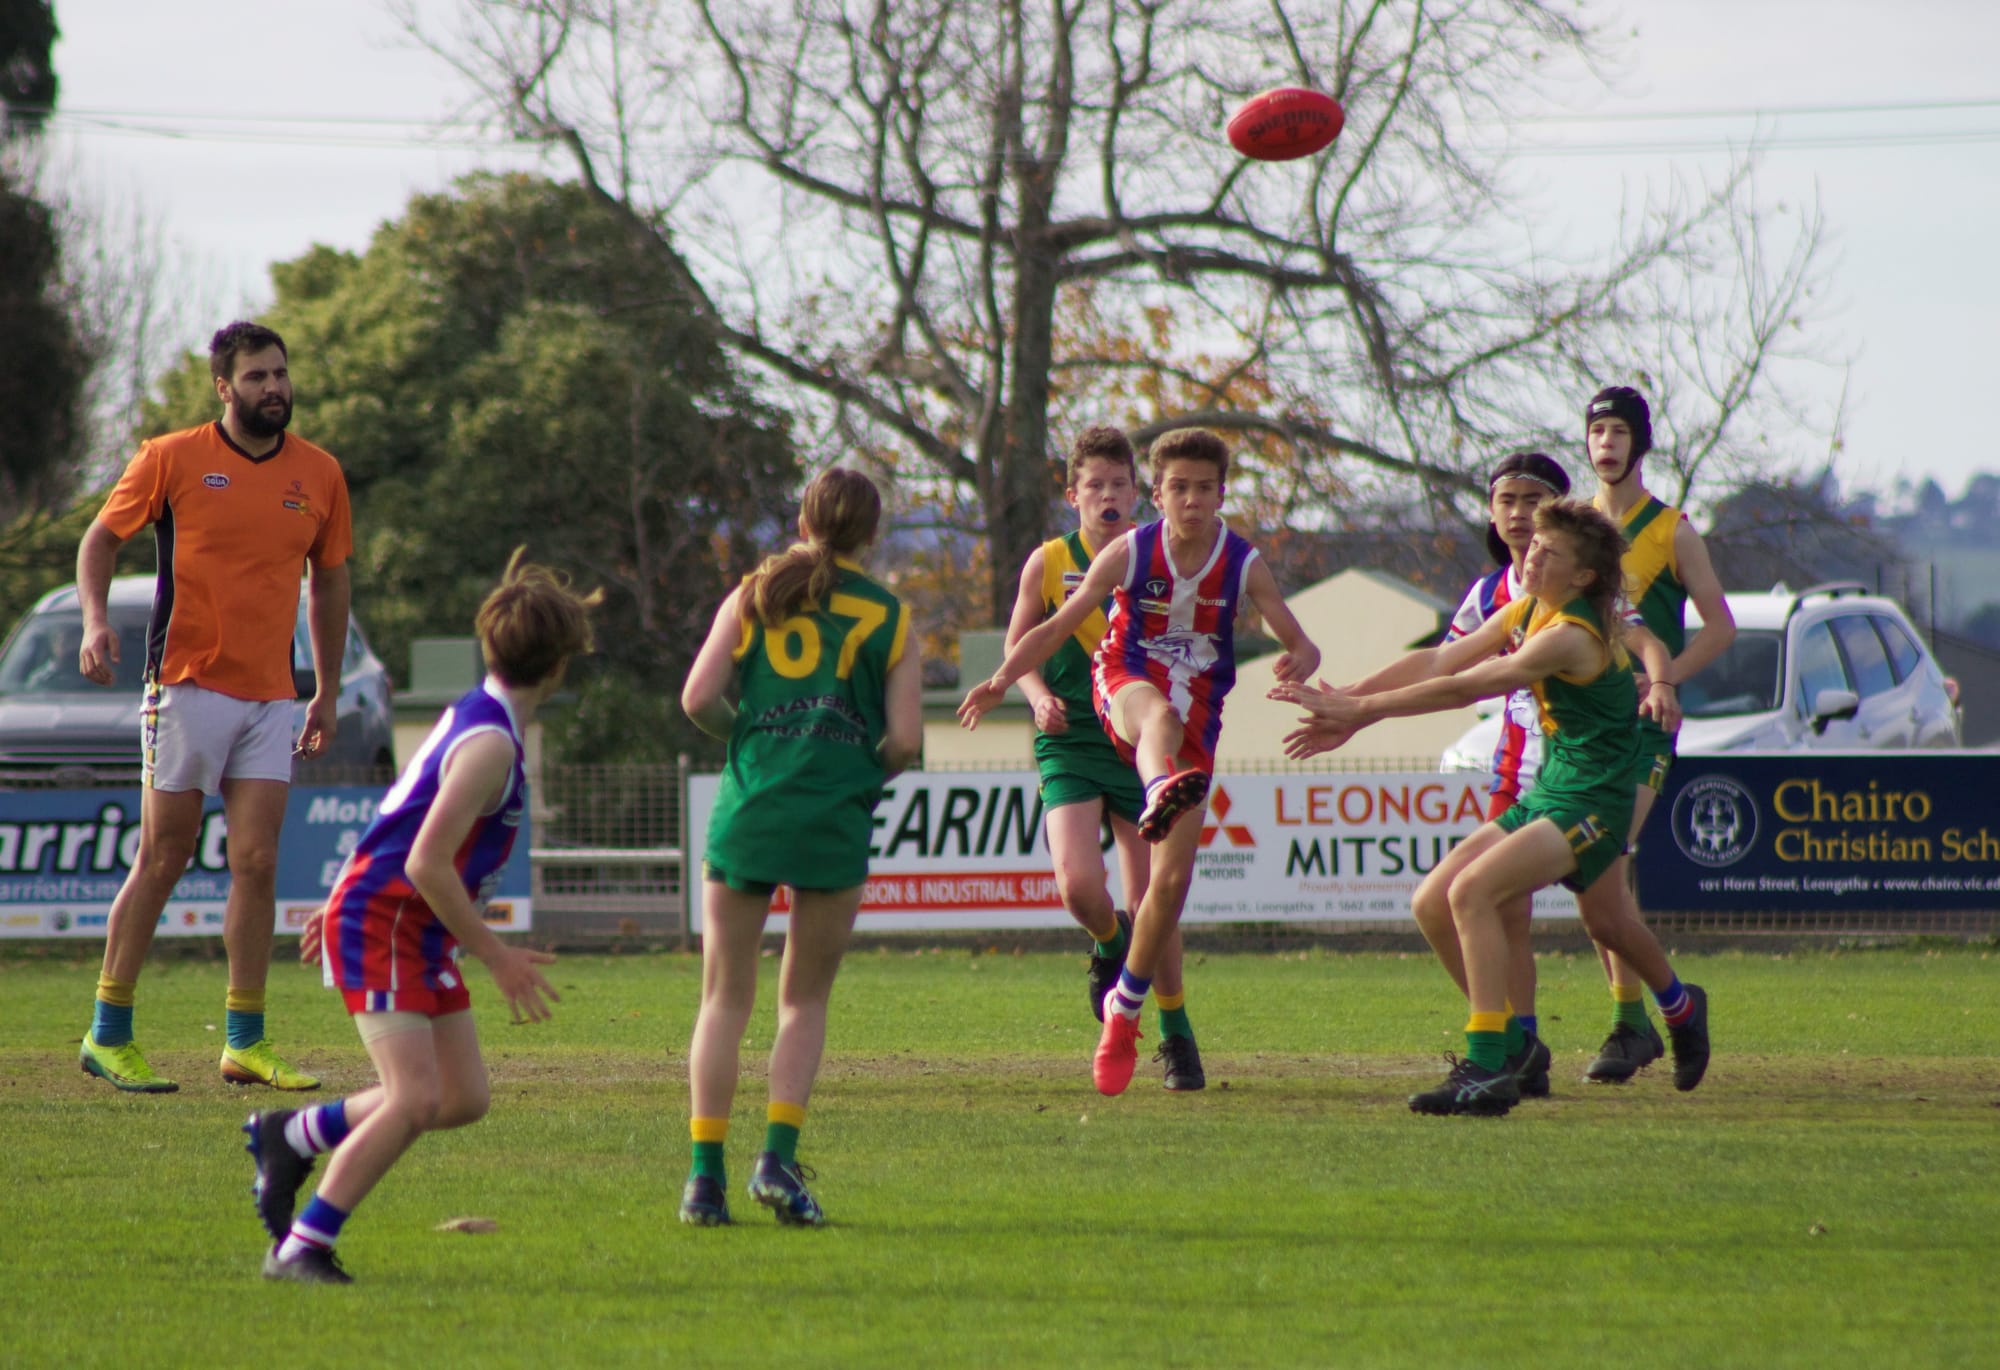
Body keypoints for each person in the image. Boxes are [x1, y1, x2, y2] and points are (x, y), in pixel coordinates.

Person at [1275, 499, 1708, 1116]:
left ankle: (1487, 1065)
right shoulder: (1531, 606)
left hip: (1596, 798)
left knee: (1473, 894)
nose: (1531, 552)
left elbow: (1468, 686)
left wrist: (1363, 713)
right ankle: (1589, 1029)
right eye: (1533, 543)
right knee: (1438, 902)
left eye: (1548, 550)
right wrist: (1347, 700)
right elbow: (1440, 660)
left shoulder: (1567, 634)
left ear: (1584, 576)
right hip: (1554, 786)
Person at [244, 549, 594, 1284]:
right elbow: (425, 861)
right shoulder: (491, 741)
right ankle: (303, 1246)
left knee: (461, 1098)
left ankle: (293, 1134)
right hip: (389, 923)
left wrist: (338, 895)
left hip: (400, 922)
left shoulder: (480, 716)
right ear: (561, 664)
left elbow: (394, 813)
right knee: (414, 1096)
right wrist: (499, 956)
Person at [960, 428, 1320, 1097]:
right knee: (1091, 856)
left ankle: (1151, 1021)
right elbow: (1051, 629)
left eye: (1203, 488)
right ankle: (1152, 816)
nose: (1190, 499)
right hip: (1114, 696)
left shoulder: (1242, 561)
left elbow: (1296, 635)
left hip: (1199, 712)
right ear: (1156, 494)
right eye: (1177, 487)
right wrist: (1008, 682)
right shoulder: (1108, 555)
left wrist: (1303, 658)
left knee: (1166, 889)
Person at [77, 321, 352, 1094]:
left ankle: (244, 1040)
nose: (275, 388)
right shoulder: (171, 458)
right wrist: (96, 622)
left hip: (271, 696)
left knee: (258, 862)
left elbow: (330, 581)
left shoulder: (321, 474)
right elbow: (101, 539)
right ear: (224, 388)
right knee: (164, 858)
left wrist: (323, 688)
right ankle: (108, 1032)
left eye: (281, 374)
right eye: (258, 377)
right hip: (186, 685)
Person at [677, 468, 923, 1227]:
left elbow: (696, 699)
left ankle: (703, 1181)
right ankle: (776, 1163)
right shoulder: (892, 615)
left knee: (724, 1000)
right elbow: (907, 740)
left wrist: (747, 741)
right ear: (872, 535)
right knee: (803, 1001)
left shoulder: (752, 592)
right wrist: (854, 773)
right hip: (831, 817)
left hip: (751, 809)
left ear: (803, 518)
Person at [1001, 426, 1201, 1089]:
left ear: (1138, 493)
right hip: (1071, 736)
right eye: (1096, 485)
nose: (1109, 496)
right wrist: (1033, 696)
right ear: (1073, 493)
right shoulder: (1050, 560)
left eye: (1120, 484)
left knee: (1151, 900)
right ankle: (1111, 949)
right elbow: (1021, 645)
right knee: (1079, 887)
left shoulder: (1158, 556)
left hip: (1140, 734)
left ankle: (1175, 1035)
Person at [1581, 386, 1734, 1084]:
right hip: (1582, 726)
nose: (1606, 443)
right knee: (1594, 877)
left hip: (1643, 730)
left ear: (1639, 445)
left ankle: (1634, 1020)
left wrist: (1663, 680)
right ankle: (1660, 1011)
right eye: (1597, 431)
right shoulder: (1574, 529)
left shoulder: (1673, 530)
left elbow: (1722, 626)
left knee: (1603, 862)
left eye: (1618, 431)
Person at [1438, 450, 1573, 1098]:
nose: (1517, 515)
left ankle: (1666, 1010)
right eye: (1505, 502)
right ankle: (1515, 1044)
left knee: (1609, 918)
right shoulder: (1490, 595)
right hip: (1514, 777)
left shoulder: (1580, 589)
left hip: (1577, 778)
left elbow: (1640, 641)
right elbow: (1447, 672)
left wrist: (1658, 678)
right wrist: (1354, 703)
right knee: (1498, 909)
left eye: (1531, 501)